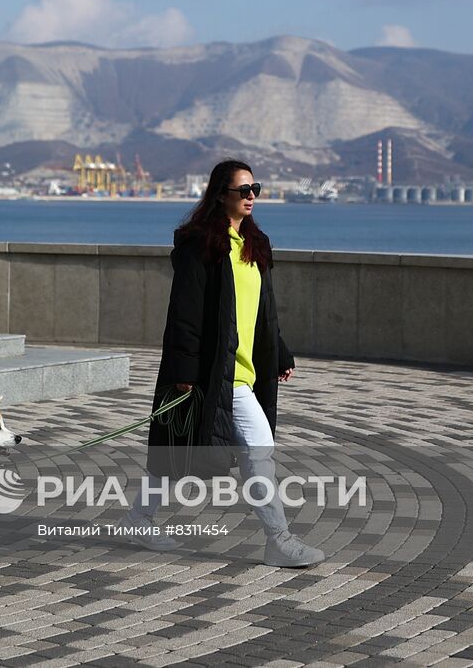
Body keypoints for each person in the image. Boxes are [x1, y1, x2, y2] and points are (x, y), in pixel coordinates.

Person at [124, 158, 324, 567]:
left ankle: (140, 518)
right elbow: (185, 312)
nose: (251, 197)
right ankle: (278, 540)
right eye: (243, 190)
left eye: (255, 189)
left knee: (176, 448)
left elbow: (262, 311)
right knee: (257, 449)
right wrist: (183, 371)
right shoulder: (202, 246)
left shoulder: (255, 244)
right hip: (215, 372)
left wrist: (279, 352)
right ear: (220, 195)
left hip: (247, 371)